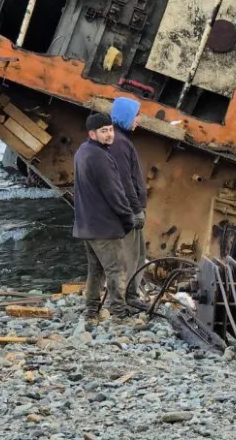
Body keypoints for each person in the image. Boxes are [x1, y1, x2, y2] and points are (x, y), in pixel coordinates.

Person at [73, 113, 135, 320]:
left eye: (111, 129)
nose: (109, 135)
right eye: (104, 131)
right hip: (104, 227)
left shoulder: (82, 152)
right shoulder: (100, 157)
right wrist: (128, 219)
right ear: (92, 134)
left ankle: (91, 310)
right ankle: (119, 313)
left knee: (95, 270)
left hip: (86, 225)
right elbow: (115, 193)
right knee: (116, 270)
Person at [110, 97, 147, 302]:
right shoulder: (120, 143)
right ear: (126, 116)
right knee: (130, 256)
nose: (138, 120)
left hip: (128, 208)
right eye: (136, 116)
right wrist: (136, 209)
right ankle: (126, 298)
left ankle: (132, 293)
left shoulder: (120, 140)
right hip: (127, 210)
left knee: (138, 254)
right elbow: (125, 180)